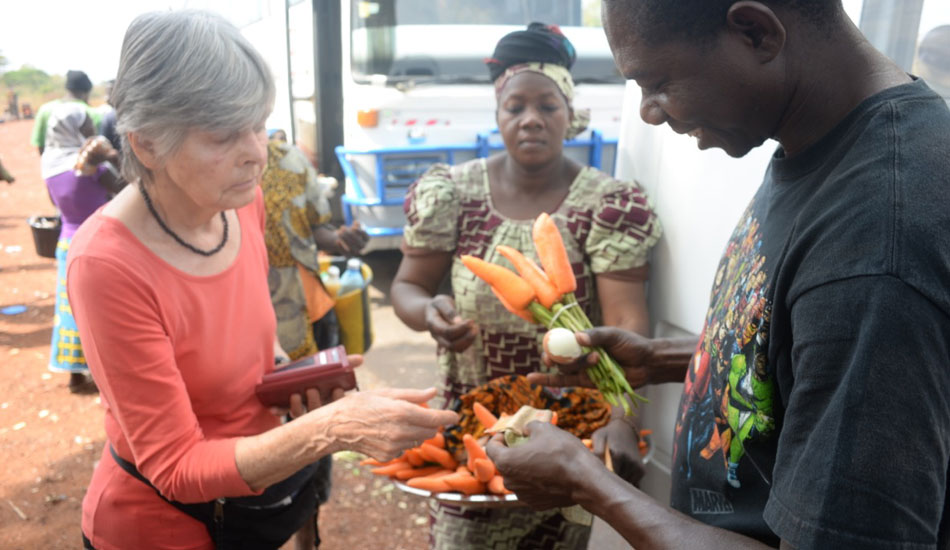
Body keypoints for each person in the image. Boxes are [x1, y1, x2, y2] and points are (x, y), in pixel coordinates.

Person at [484, 1, 950, 548]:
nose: (649, 114)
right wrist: (661, 360)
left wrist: (591, 485)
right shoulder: (824, 146)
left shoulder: (877, 245)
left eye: (656, 82)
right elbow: (811, 354)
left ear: (755, 32)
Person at [66, 11, 457, 550]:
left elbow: (250, 342)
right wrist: (333, 428)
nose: (256, 153)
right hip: (166, 529)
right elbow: (175, 466)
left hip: (247, 509)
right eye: (225, 135)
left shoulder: (238, 204)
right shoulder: (106, 265)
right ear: (148, 144)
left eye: (260, 124)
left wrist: (291, 380)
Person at [391, 22, 661, 550]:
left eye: (548, 106)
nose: (531, 119)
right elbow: (407, 286)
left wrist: (624, 418)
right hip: (469, 432)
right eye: (516, 107)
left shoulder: (604, 205)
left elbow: (627, 322)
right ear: (498, 114)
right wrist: (429, 313)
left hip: (567, 434)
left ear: (571, 114)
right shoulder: (453, 193)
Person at [260, 130, 369, 549]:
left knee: (311, 430)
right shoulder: (192, 160)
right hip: (239, 325)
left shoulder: (288, 158)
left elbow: (319, 228)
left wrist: (341, 239)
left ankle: (308, 531)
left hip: (304, 315)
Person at [37, 96, 121, 393]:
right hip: (98, 243)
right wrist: (110, 156)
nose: (90, 126)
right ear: (73, 127)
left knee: (68, 307)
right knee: (98, 311)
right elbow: (125, 189)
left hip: (66, 243)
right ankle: (99, 372)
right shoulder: (90, 166)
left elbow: (57, 203)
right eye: (85, 122)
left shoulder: (49, 164)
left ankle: (73, 373)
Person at [30, 70, 101, 155]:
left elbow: (40, 145)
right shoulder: (93, 113)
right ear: (87, 92)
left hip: (52, 165)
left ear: (67, 88)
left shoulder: (45, 109)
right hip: (84, 166)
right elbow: (97, 146)